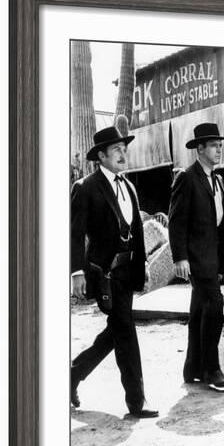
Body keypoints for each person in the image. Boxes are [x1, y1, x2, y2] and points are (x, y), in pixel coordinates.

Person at [70, 126, 158, 418]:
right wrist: (75, 273)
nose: (123, 154)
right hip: (104, 274)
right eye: (117, 150)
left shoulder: (129, 187)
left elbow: (137, 233)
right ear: (102, 156)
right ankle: (137, 400)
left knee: (116, 332)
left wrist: (143, 266)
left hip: (127, 272)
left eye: (124, 148)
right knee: (126, 331)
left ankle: (72, 374)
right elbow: (74, 234)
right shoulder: (86, 187)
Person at [168, 122, 224, 391]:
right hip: (196, 259)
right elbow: (176, 221)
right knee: (215, 305)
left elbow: (221, 223)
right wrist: (180, 257)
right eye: (214, 146)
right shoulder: (187, 177)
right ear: (200, 149)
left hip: (213, 259)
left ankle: (192, 367)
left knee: (199, 312)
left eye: (220, 146)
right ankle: (211, 369)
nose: (219, 150)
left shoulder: (216, 180)